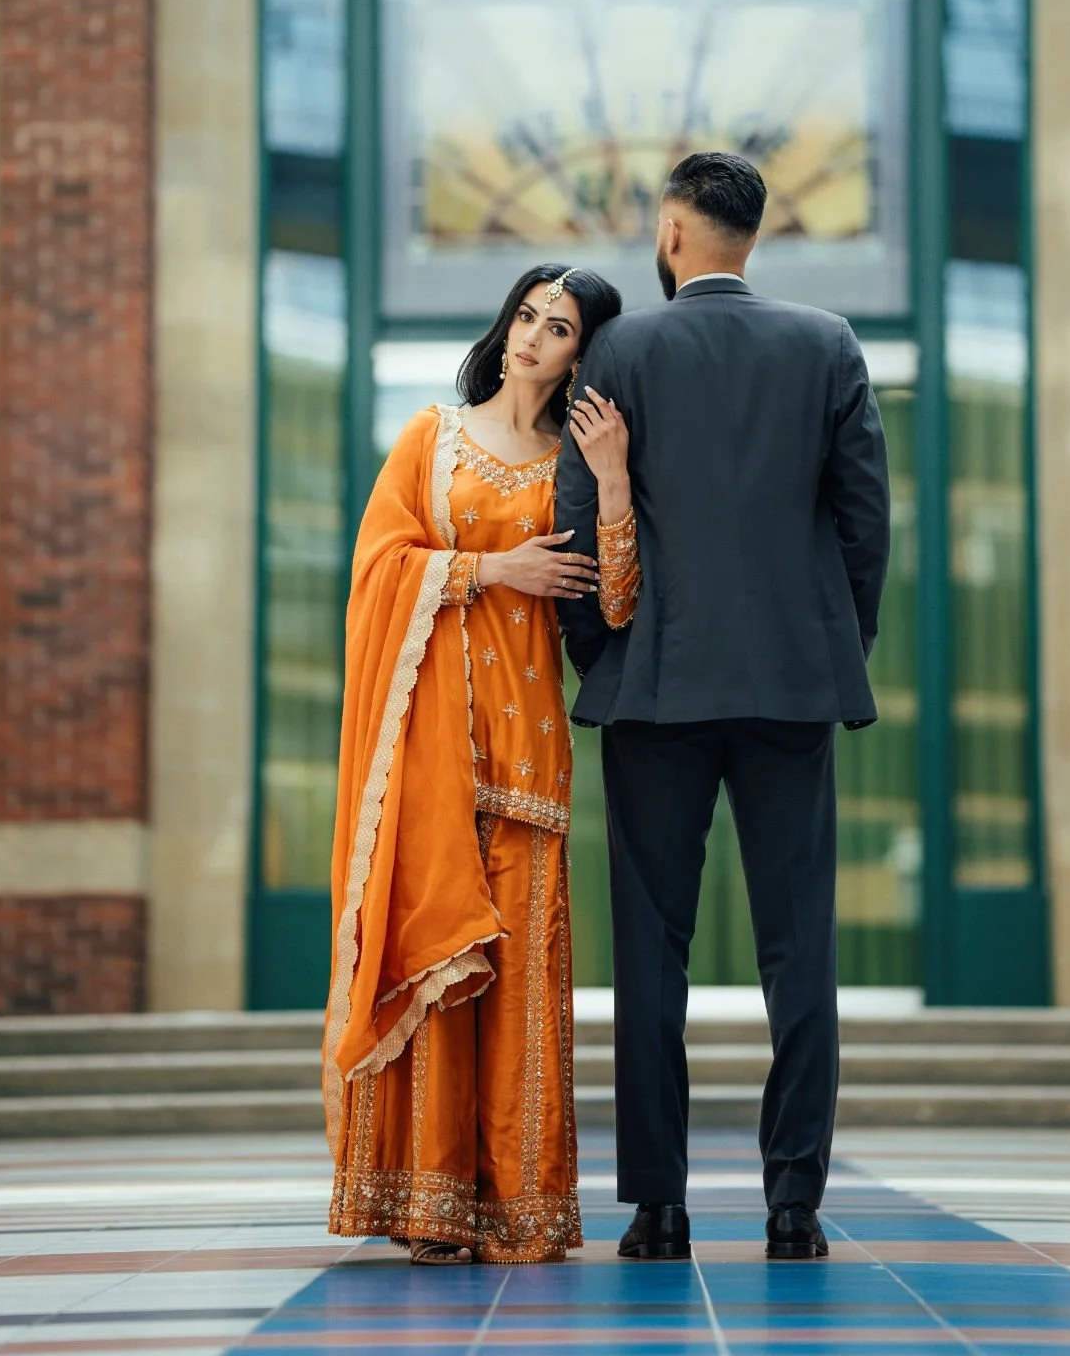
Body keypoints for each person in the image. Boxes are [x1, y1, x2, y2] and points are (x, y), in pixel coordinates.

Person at [556, 152, 892, 1264]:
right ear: (753, 238)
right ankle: (793, 1200)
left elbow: (573, 516)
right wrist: (832, 642)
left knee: (652, 950)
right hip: (791, 685)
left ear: (671, 231)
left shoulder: (621, 349)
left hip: (656, 690)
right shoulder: (827, 344)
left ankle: (658, 1206)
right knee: (802, 950)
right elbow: (862, 517)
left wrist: (604, 656)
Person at [324, 261, 631, 1266]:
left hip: (530, 753)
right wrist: (488, 569)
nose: (533, 335)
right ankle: (428, 1201)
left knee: (520, 986)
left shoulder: (571, 467)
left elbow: (617, 600)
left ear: (583, 351)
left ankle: (520, 1207)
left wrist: (617, 476)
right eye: (527, 314)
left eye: (559, 326)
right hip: (432, 757)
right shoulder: (430, 437)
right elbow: (376, 570)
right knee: (436, 959)